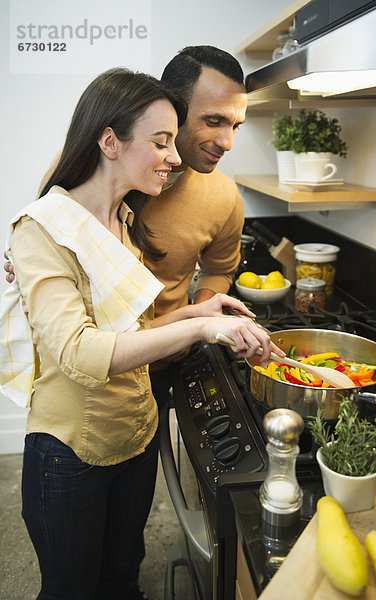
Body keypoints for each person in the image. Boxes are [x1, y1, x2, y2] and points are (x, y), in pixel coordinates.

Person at [0, 68, 282, 600]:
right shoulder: (44, 228)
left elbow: (135, 329)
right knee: (71, 588)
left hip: (135, 434)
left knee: (122, 571)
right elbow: (81, 352)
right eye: (162, 142)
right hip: (72, 453)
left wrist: (203, 316)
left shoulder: (122, 219)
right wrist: (208, 329)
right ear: (109, 141)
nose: (175, 157)